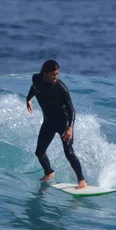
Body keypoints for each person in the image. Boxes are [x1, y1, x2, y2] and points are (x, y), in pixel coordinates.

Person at [26, 60, 88, 189]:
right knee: (39, 152)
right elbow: (34, 88)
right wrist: (28, 99)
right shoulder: (36, 78)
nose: (56, 77)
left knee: (69, 153)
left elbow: (71, 110)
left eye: (57, 74)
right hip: (48, 122)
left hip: (63, 123)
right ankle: (49, 173)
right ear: (45, 73)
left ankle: (82, 181)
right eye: (53, 74)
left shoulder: (60, 87)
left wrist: (70, 128)